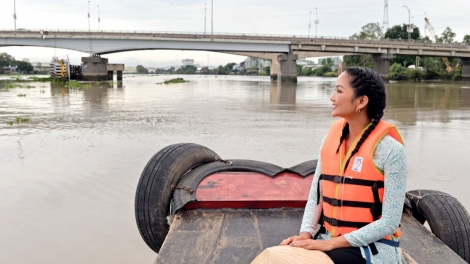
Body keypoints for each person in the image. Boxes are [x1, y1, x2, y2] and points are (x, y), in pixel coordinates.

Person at [280, 67, 407, 264]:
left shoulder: (391, 150)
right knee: (280, 255)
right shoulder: (331, 140)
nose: (332, 97)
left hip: (373, 248)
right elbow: (316, 197)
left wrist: (333, 244)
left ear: (361, 101)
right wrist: (306, 234)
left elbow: (389, 222)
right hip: (327, 238)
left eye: (339, 91)